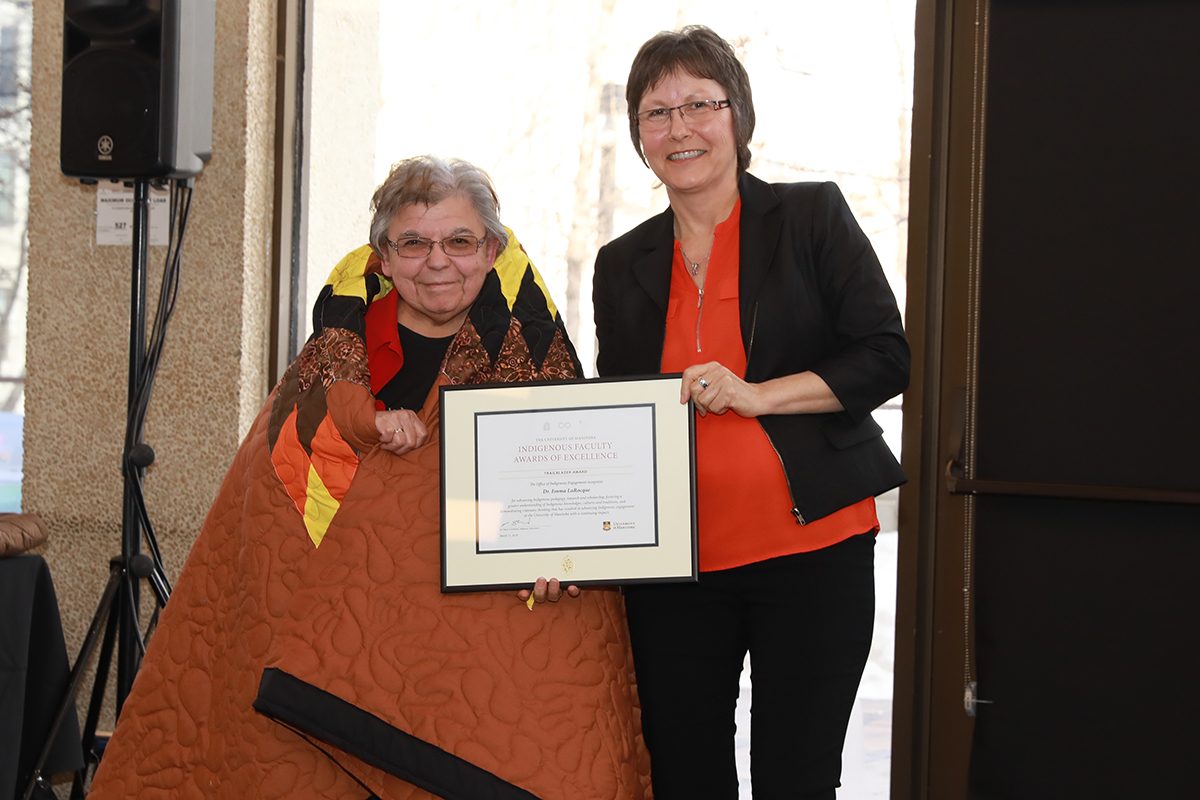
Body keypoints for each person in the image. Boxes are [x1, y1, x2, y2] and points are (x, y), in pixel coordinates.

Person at [89, 156, 650, 799]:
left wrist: (566, 556)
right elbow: (274, 507)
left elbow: (566, 500)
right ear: (382, 255)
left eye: (460, 241)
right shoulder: (332, 355)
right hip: (328, 648)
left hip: (462, 663)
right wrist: (367, 433)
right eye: (412, 242)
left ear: (492, 249)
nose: (438, 261)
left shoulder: (533, 356)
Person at [592, 26, 910, 799]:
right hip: (675, 570)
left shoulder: (810, 217)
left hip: (813, 553)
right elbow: (619, 417)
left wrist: (758, 395)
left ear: (738, 117)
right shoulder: (620, 263)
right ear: (638, 137)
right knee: (684, 777)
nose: (679, 128)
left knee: (796, 780)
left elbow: (885, 355)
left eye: (699, 103)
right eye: (656, 113)